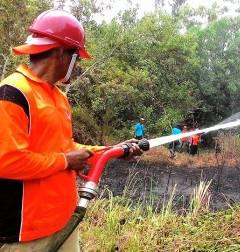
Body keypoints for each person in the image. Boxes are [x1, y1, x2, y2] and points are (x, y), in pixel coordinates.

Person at [0, 10, 142, 251]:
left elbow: (66, 147)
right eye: (76, 56)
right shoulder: (12, 94)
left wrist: (112, 150)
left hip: (64, 221)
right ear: (59, 53)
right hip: (26, 233)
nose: (76, 65)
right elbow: (7, 162)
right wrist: (65, 161)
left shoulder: (58, 97)